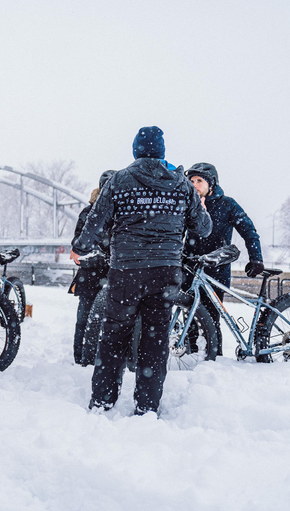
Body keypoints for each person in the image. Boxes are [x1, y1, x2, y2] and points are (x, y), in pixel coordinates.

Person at [71, 126, 212, 415]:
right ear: (162, 152)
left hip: (126, 271)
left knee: (114, 335)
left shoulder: (119, 180)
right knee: (155, 338)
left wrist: (80, 248)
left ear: (136, 150)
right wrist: (198, 206)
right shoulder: (182, 185)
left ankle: (102, 401)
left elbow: (96, 221)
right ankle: (147, 406)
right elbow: (204, 228)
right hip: (165, 272)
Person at [183, 162, 263, 356]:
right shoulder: (187, 204)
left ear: (212, 184)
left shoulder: (227, 204)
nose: (194, 184)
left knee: (210, 315)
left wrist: (256, 259)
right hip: (190, 266)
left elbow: (249, 231)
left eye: (199, 181)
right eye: (191, 180)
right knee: (189, 314)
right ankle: (192, 355)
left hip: (216, 268)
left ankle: (214, 358)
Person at [69, 169, 116, 366]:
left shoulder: (122, 213)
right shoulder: (89, 213)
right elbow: (79, 244)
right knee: (85, 319)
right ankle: (81, 359)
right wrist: (102, 256)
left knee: (112, 321)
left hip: (112, 274)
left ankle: (107, 358)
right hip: (91, 274)